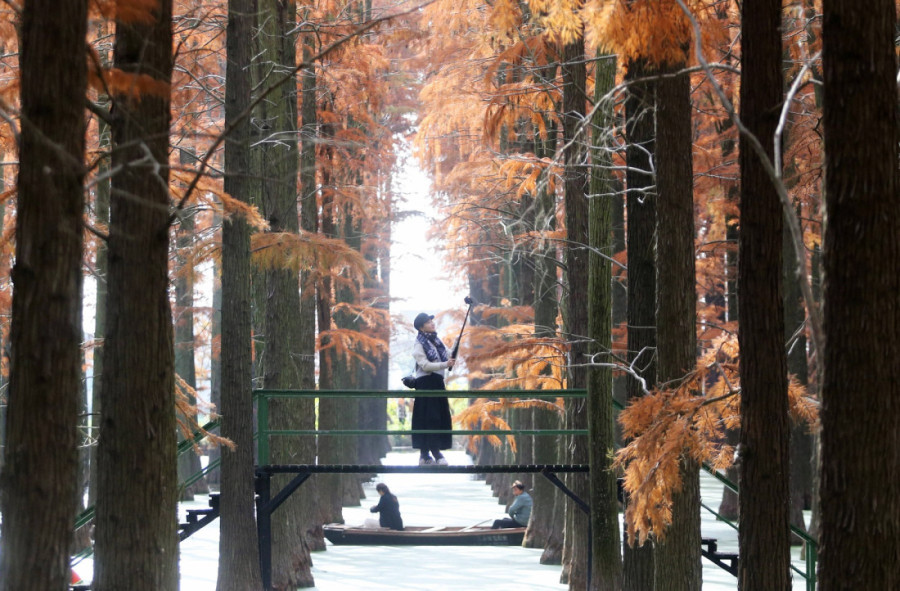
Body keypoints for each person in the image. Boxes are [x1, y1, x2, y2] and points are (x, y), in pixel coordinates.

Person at [411, 312, 455, 465]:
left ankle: (426, 455)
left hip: (437, 382)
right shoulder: (419, 344)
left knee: (438, 417)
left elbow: (448, 354)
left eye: (431, 321)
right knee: (428, 418)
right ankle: (432, 453)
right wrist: (445, 364)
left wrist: (458, 343)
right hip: (425, 383)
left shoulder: (436, 341)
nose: (432, 323)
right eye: (428, 322)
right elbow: (426, 366)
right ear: (421, 326)